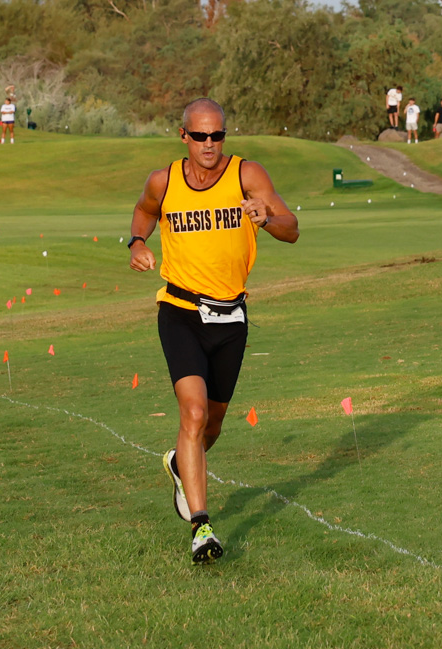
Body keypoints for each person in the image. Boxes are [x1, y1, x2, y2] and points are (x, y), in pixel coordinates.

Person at [127, 98, 299, 565]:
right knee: (195, 413)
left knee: (214, 424)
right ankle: (202, 526)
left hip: (231, 317)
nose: (209, 144)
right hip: (180, 311)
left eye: (217, 135)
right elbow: (143, 212)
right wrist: (137, 242)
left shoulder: (247, 175)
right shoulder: (163, 181)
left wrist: (268, 219)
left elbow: (291, 227)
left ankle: (181, 463)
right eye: (200, 136)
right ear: (183, 135)